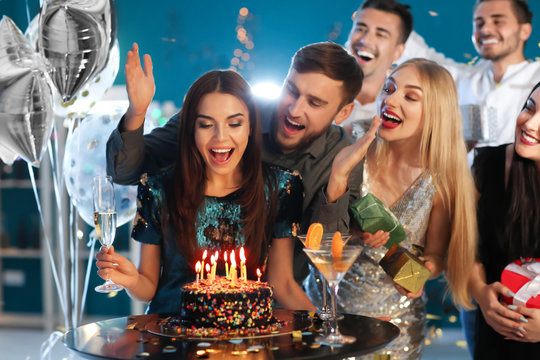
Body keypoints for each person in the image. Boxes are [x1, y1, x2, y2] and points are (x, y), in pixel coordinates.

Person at [106, 42, 364, 284]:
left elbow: (328, 260)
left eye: (315, 103)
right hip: (188, 303)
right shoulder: (228, 106)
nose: (295, 109)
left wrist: (338, 181)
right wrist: (136, 113)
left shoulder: (342, 158)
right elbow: (124, 171)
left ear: (343, 112)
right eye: (291, 91)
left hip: (276, 310)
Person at [96, 63, 316, 313]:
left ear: (251, 127)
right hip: (172, 335)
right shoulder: (158, 188)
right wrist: (132, 280)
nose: (220, 138)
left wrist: (327, 326)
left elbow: (283, 284)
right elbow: (148, 287)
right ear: (190, 129)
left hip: (245, 341)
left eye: (234, 124)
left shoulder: (281, 187)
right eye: (206, 124)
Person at [305, 58, 478, 359]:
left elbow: (435, 257)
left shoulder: (441, 180)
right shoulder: (350, 141)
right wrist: (352, 233)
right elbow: (313, 226)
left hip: (393, 330)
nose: (390, 99)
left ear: (436, 115)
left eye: (410, 97)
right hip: (320, 311)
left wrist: (418, 275)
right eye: (389, 88)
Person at [468, 81, 540, 359]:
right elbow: (467, 248)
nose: (530, 124)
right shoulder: (489, 165)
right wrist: (481, 294)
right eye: (529, 108)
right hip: (497, 330)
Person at [340, 0, 413, 137]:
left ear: (398, 51)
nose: (366, 40)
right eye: (360, 29)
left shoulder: (402, 114)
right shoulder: (314, 88)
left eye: (380, 34)